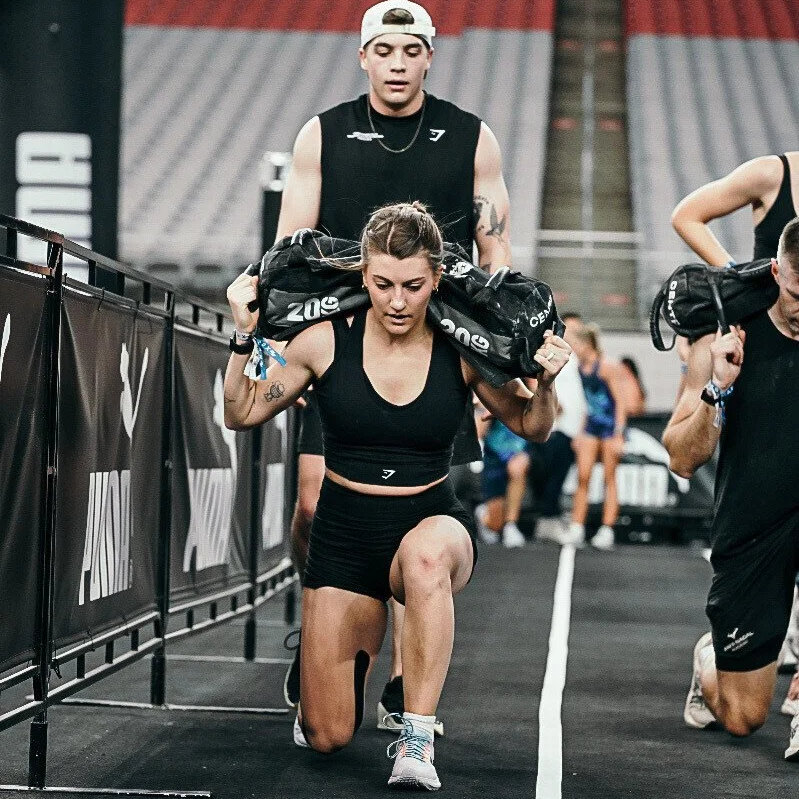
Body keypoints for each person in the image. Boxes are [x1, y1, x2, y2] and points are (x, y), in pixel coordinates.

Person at [223, 203, 570, 789]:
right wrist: (243, 333)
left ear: (437, 279)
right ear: (363, 276)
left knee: (426, 558)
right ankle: (348, 661)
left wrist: (548, 382)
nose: (398, 301)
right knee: (326, 735)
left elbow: (532, 425)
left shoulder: (462, 345)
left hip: (430, 517)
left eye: (413, 286)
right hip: (344, 533)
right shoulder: (322, 340)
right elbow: (241, 411)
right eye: (383, 284)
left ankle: (416, 732)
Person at [274, 0, 513, 726]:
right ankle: (322, 618)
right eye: (386, 51)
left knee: (422, 526)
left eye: (412, 51)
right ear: (364, 57)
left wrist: (488, 354)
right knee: (314, 504)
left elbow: (495, 249)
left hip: (435, 352)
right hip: (343, 348)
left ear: (428, 57)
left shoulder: (472, 136)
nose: (399, 64)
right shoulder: (322, 133)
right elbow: (290, 243)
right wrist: (283, 332)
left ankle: (405, 690)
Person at [662, 218, 799, 760]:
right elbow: (679, 456)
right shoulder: (726, 333)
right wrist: (719, 388)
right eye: (797, 292)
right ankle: (709, 661)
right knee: (744, 717)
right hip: (753, 528)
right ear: (776, 273)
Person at [562, 325, 627, 551]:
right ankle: (577, 527)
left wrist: (619, 435)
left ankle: (607, 529)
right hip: (591, 426)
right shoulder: (580, 367)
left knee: (610, 478)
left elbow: (620, 402)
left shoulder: (607, 366)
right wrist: (580, 432)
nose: (572, 349)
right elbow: (587, 404)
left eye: (575, 345)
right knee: (583, 476)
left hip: (609, 428)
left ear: (586, 345)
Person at [532, 311, 588, 544]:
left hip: (571, 429)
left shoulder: (576, 361)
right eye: (571, 330)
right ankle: (548, 519)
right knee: (550, 475)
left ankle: (550, 519)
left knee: (560, 475)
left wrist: (581, 429)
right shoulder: (552, 353)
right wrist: (554, 405)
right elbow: (537, 380)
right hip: (555, 427)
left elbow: (581, 398)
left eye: (578, 332)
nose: (574, 336)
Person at [474, 415, 529, 548]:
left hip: (522, 451)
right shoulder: (492, 396)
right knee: (494, 525)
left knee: (518, 467)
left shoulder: (531, 396)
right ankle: (483, 515)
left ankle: (511, 525)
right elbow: (478, 432)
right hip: (494, 456)